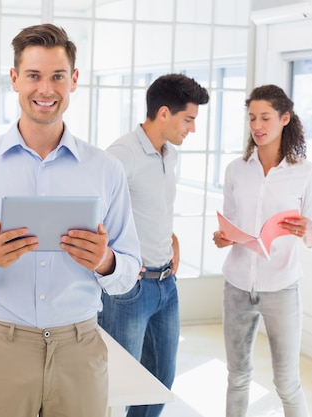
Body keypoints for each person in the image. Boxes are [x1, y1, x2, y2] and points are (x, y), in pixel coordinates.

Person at [0, 23, 141, 417]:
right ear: (14, 79)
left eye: (57, 77)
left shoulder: (106, 169)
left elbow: (128, 274)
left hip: (79, 351)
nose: (45, 90)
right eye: (33, 76)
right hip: (1, 352)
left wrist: (105, 261)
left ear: (74, 80)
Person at [99, 73, 209, 417]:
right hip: (130, 289)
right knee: (118, 384)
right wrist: (117, 261)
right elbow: (92, 215)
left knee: (160, 380)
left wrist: (172, 238)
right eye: (188, 119)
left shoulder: (169, 154)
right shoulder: (121, 154)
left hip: (166, 285)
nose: (192, 128)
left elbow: (153, 208)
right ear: (164, 113)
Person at [213, 84, 312, 417]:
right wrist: (224, 238)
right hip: (237, 286)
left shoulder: (306, 174)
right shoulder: (236, 169)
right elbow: (229, 223)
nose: (257, 126)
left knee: (287, 383)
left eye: (265, 118)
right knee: (237, 377)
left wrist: (308, 230)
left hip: (282, 289)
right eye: (251, 119)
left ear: (285, 118)